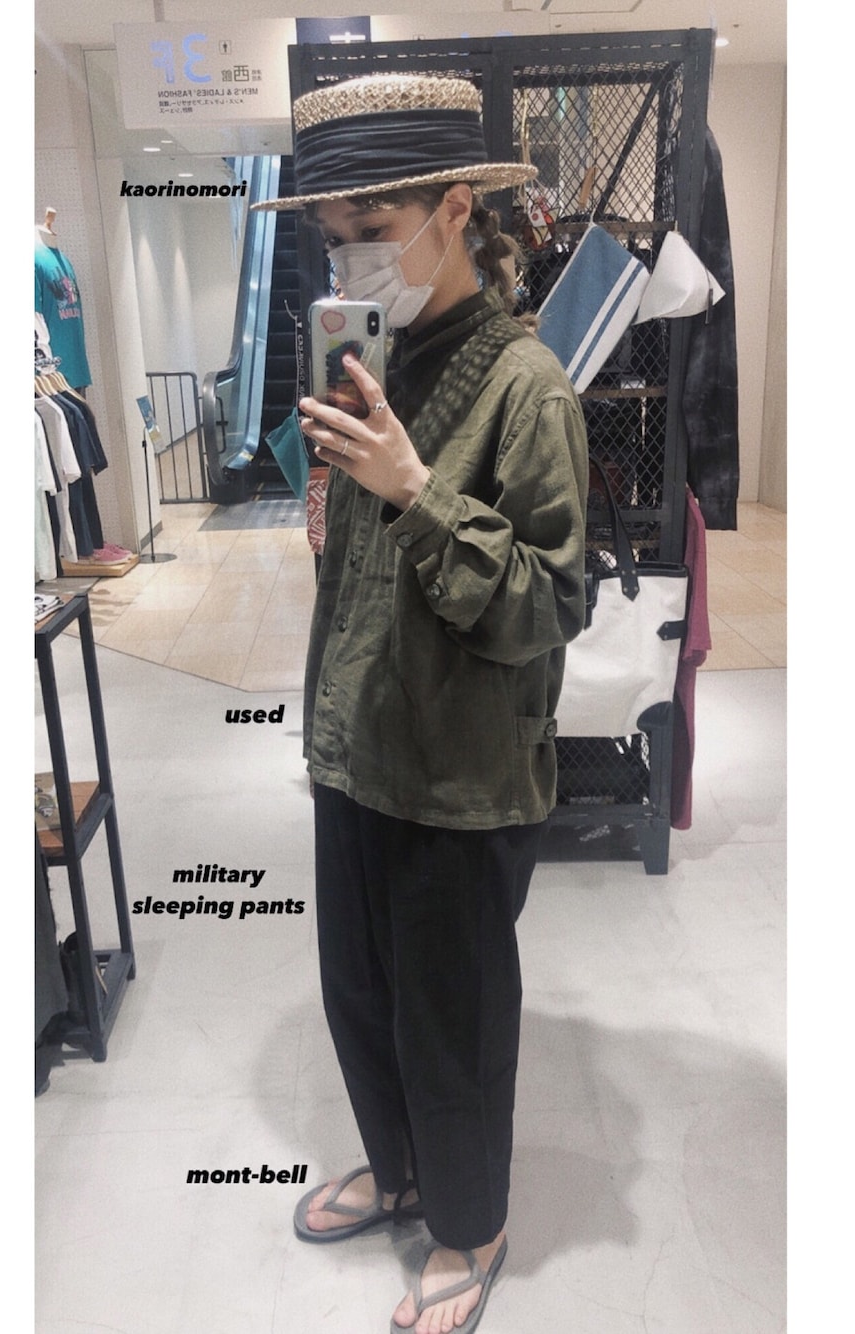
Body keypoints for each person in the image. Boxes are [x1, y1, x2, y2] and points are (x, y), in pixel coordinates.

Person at [253, 74, 589, 1334]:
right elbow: (356, 573)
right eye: (333, 235)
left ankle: (471, 1219)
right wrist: (339, 483)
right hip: (357, 741)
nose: (351, 258)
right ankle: (399, 1170)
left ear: (455, 209)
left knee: (453, 1016)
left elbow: (552, 603)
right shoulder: (368, 359)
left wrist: (413, 487)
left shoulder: (525, 386)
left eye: (374, 228)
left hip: (460, 768)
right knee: (360, 989)